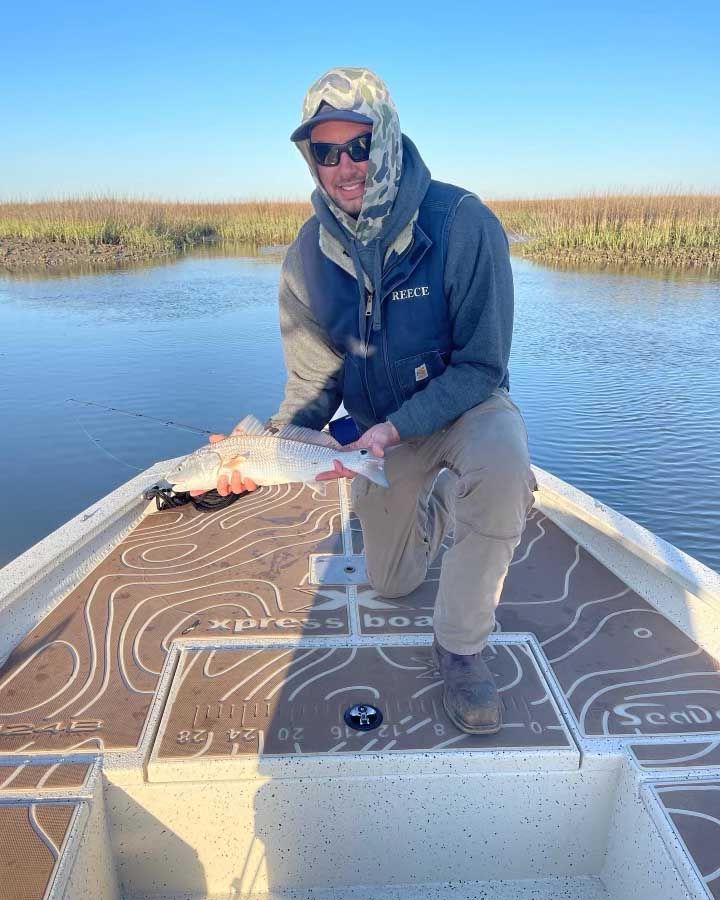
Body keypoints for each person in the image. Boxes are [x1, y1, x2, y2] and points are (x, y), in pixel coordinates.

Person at [201, 67, 535, 734]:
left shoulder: (463, 222)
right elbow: (313, 382)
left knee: (503, 464)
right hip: (376, 435)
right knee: (392, 582)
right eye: (326, 152)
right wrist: (271, 448)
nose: (345, 167)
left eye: (359, 145)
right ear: (311, 159)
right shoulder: (306, 255)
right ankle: (441, 502)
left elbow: (483, 365)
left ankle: (462, 648)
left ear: (386, 138)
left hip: (463, 409)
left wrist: (398, 427)